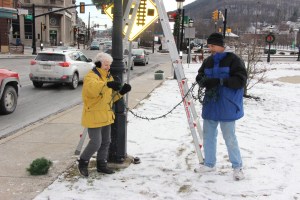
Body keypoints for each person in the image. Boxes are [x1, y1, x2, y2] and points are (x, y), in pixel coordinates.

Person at [195, 33, 247, 181]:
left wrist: (220, 81)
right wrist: (202, 81)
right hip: (211, 104)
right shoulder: (208, 61)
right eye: (209, 46)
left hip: (227, 104)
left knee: (229, 137)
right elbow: (200, 75)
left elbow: (240, 80)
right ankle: (209, 163)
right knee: (208, 136)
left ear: (221, 45)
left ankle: (237, 167)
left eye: (212, 46)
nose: (210, 49)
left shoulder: (234, 60)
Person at [77, 52, 132, 177]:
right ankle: (83, 162)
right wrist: (106, 84)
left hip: (106, 115)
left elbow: (111, 98)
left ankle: (102, 165)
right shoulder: (91, 77)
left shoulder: (108, 77)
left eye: (109, 65)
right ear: (98, 64)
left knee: (106, 141)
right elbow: (92, 90)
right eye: (106, 64)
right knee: (96, 142)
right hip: (94, 115)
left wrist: (122, 92)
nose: (108, 67)